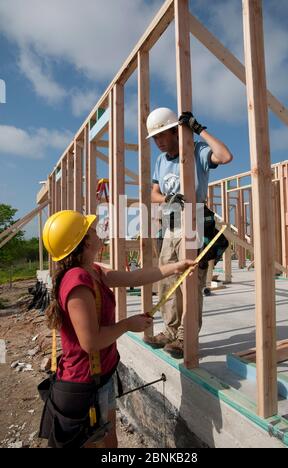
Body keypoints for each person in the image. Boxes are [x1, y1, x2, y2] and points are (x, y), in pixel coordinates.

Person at [39, 210, 196, 448]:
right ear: (84, 242)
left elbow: (133, 277)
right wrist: (126, 325)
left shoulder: (94, 272)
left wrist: (175, 267)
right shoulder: (77, 281)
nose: (96, 231)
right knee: (97, 442)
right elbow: (90, 342)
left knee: (109, 438)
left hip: (102, 376)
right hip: (84, 384)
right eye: (90, 230)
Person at [144, 108, 233, 359]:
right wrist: (166, 198)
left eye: (162, 135)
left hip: (194, 221)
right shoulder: (161, 161)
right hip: (170, 223)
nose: (158, 142)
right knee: (167, 279)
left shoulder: (196, 151)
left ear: (176, 131)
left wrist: (199, 129)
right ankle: (170, 332)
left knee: (189, 281)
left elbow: (225, 156)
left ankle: (186, 336)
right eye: (155, 138)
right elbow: (152, 194)